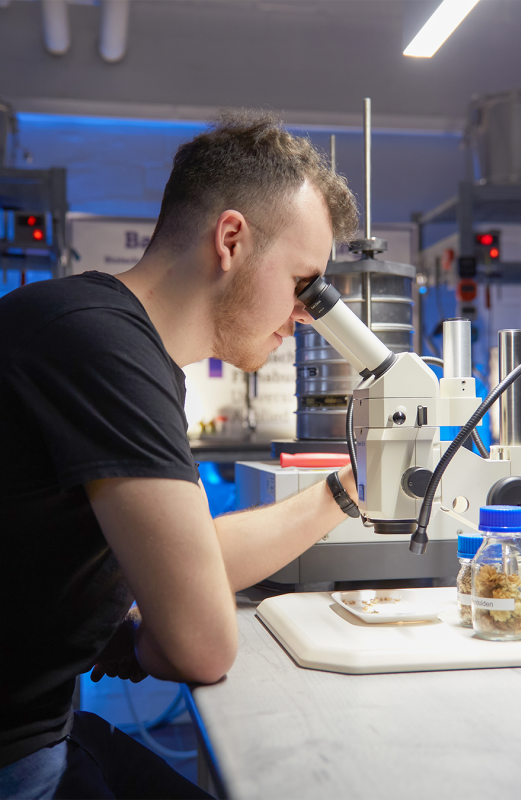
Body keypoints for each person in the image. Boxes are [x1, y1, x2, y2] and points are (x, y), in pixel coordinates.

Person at [0, 110, 360, 799]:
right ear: (231, 239)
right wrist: (146, 636)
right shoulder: (101, 347)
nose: (306, 314)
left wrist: (349, 490)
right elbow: (202, 646)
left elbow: (189, 552)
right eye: (303, 282)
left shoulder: (104, 333)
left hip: (46, 727)